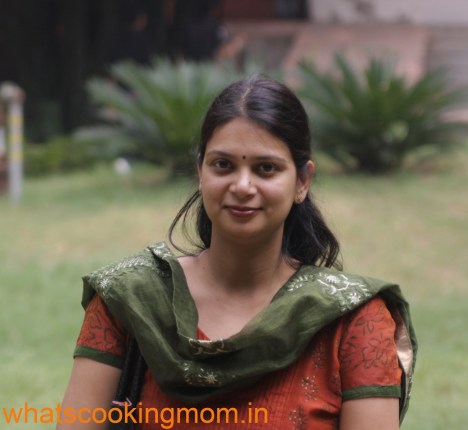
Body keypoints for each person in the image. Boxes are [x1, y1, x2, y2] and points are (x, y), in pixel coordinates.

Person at [58, 76, 417, 429]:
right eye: (223, 165)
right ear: (200, 172)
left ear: (302, 182)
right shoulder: (131, 300)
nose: (242, 186)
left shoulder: (354, 321)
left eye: (266, 168)